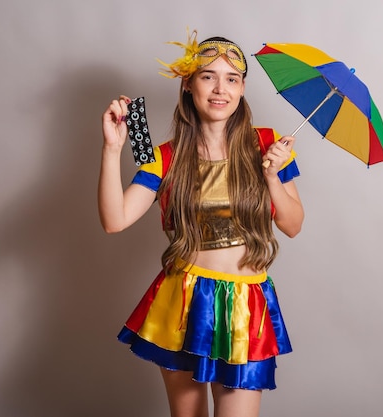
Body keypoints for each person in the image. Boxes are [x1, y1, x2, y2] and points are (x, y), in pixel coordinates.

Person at [98, 30, 304, 417]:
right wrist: (112, 149)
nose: (219, 88)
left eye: (232, 78)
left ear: (243, 89)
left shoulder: (269, 144)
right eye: (208, 76)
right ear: (189, 85)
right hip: (184, 301)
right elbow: (115, 220)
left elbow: (293, 225)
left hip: (247, 304)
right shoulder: (164, 156)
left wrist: (273, 178)